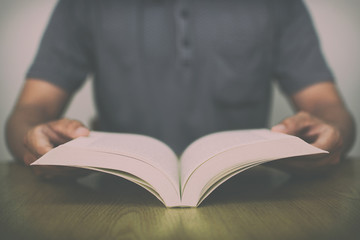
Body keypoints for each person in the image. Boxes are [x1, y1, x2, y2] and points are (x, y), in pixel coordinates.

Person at [6, 0, 355, 179]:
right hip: (112, 194)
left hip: (252, 191)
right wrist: (36, 139)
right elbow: (29, 111)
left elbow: (327, 105)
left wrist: (332, 133)